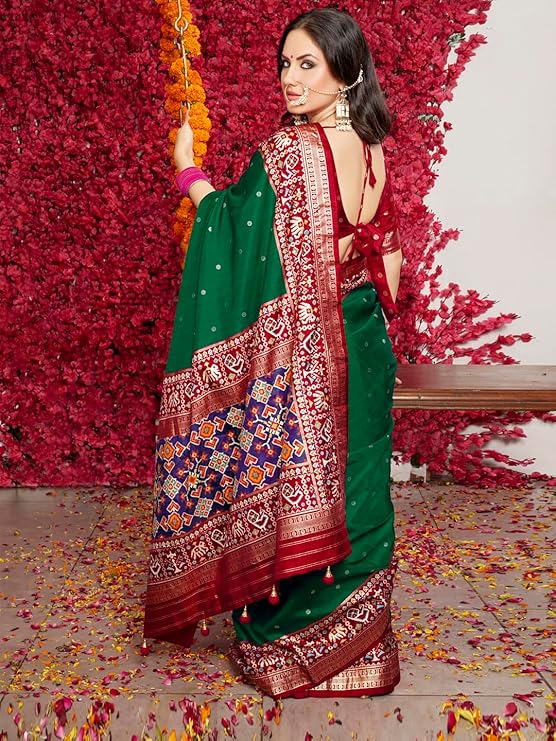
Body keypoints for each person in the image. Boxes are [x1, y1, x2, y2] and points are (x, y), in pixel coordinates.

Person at [144, 7, 403, 699]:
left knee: (306, 482)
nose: (290, 78)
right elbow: (389, 258)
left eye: (307, 64)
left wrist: (186, 169)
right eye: (285, 63)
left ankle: (293, 650)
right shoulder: (374, 145)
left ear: (346, 72)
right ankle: (361, 651)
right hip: (365, 340)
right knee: (357, 489)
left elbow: (226, 222)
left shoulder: (291, 153)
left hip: (314, 350)